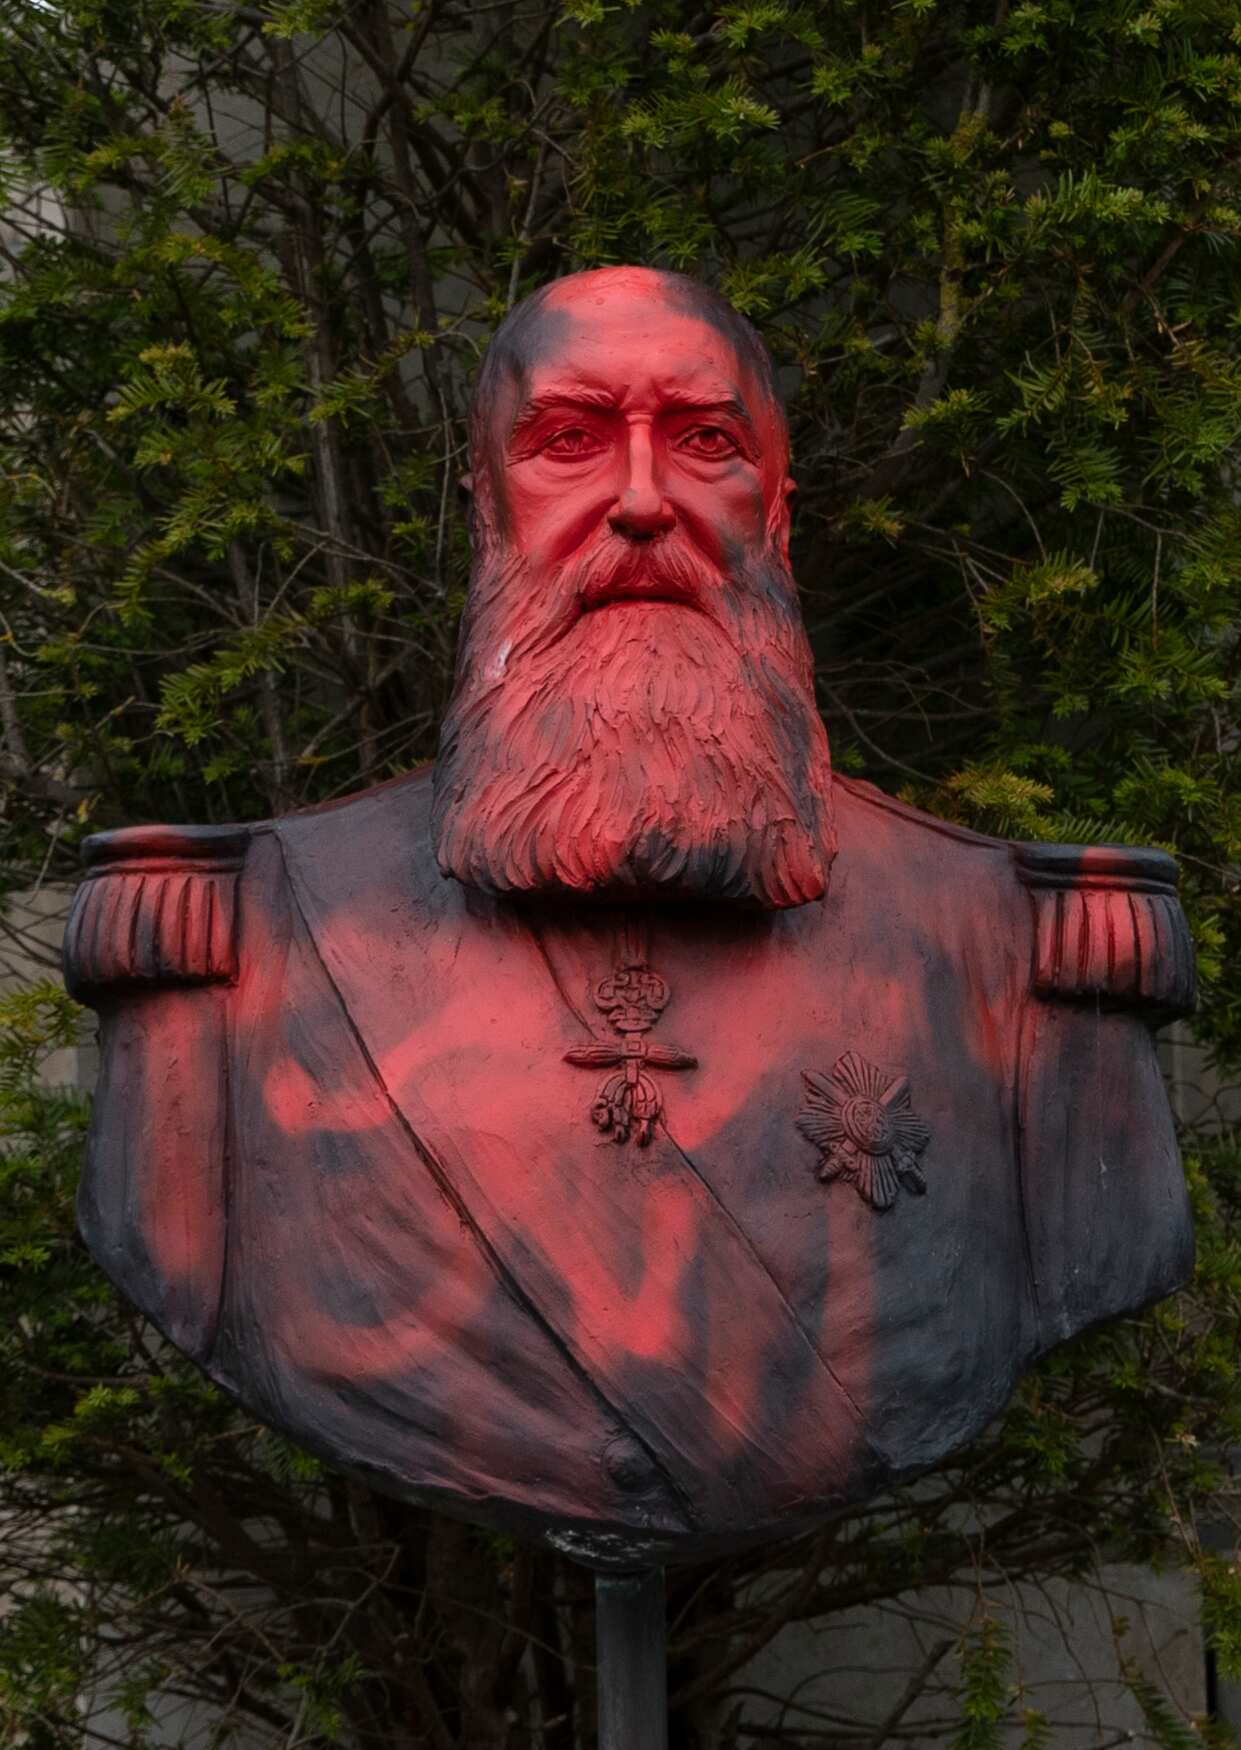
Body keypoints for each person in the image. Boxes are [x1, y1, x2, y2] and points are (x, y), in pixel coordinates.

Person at [64, 268, 1194, 1568]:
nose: (644, 498)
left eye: (705, 442)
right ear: (489, 505)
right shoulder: (244, 949)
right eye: (568, 441)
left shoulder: (1016, 957)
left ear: (773, 510)